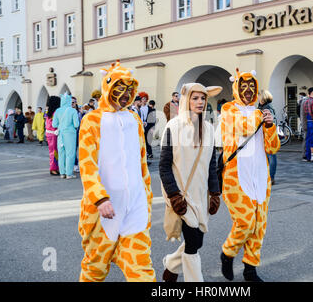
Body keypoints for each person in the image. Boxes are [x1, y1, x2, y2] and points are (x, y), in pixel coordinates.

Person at [78, 60, 156, 282]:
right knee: (94, 270)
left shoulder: (134, 120)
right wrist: (99, 199)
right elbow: (87, 164)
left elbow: (141, 163)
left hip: (135, 208)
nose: (125, 94)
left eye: (129, 90)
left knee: (142, 271)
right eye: (120, 89)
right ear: (108, 87)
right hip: (104, 211)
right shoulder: (91, 121)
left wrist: (146, 197)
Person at [220, 68, 280, 282]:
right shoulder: (228, 109)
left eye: (252, 87)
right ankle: (227, 253)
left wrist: (271, 125)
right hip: (236, 176)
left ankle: (250, 269)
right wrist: (261, 118)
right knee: (245, 222)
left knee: (259, 226)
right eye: (243, 87)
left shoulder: (259, 113)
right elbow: (243, 128)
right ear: (236, 88)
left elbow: (273, 147)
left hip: (260, 175)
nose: (248, 91)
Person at [159, 82, 222, 282]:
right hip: (182, 196)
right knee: (193, 245)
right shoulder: (173, 127)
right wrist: (174, 195)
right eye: (195, 98)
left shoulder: (210, 129)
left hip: (201, 195)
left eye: (203, 98)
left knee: (198, 240)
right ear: (186, 100)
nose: (200, 102)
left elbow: (212, 164)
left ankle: (171, 265)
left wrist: (215, 193)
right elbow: (164, 165)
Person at [52, 93, 79, 179]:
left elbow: (54, 124)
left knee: (61, 154)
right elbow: (76, 124)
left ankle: (62, 173)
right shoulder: (73, 111)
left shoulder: (57, 111)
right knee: (70, 154)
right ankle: (69, 174)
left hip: (60, 135)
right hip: (70, 135)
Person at [258, 90, 278, 185]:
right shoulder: (262, 106)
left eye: (258, 96)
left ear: (262, 97)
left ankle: (271, 177)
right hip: (264, 135)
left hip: (268, 135)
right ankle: (267, 176)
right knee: (268, 157)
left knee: (271, 156)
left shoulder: (266, 108)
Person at [45, 96, 60, 176]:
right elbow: (54, 124)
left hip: (50, 133)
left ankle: (55, 167)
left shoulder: (49, 112)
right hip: (53, 134)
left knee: (54, 151)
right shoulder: (54, 113)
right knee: (54, 152)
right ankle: (53, 168)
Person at [298, 91, 309, 161]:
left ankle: (306, 154)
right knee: (306, 138)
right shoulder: (304, 102)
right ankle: (305, 155)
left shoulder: (301, 102)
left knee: (306, 138)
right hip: (305, 122)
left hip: (303, 121)